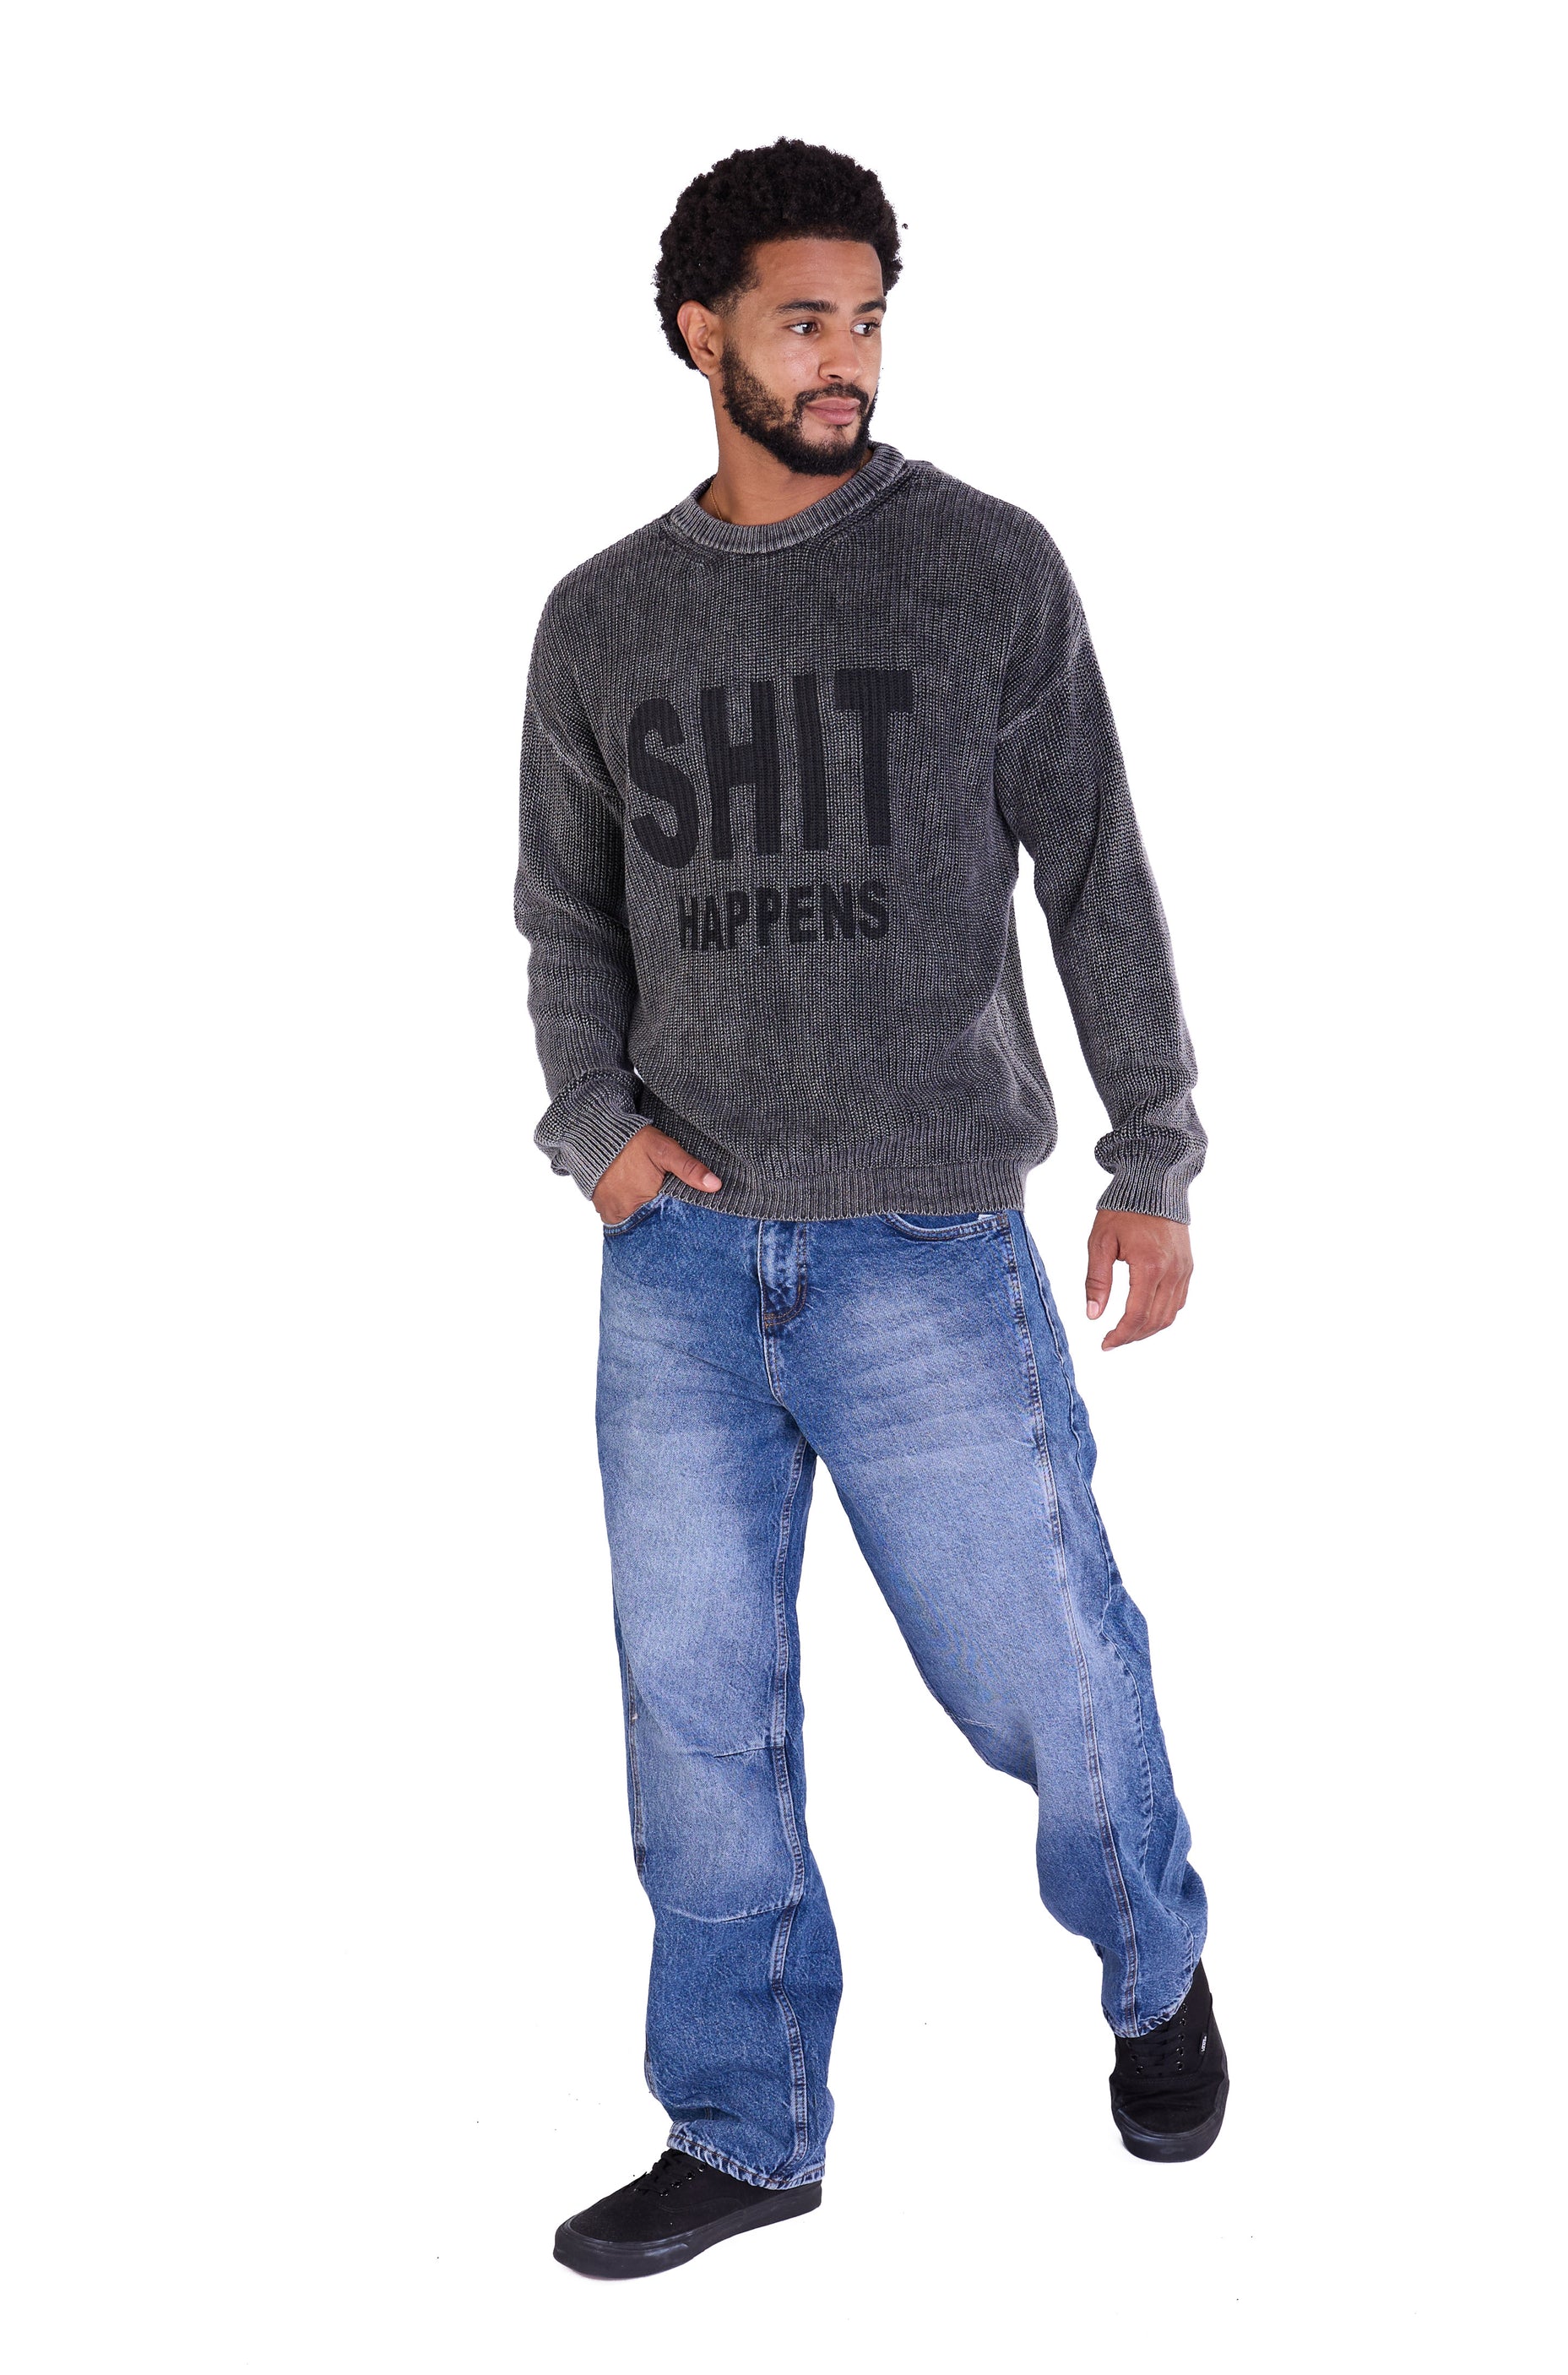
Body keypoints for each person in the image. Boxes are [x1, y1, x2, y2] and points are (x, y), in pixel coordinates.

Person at [515, 137, 1228, 2283]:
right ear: (699, 332)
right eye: (803, 320)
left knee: (1047, 1674)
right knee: (697, 1717)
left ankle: (1153, 1966)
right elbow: (567, 914)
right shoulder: (601, 618)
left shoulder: (980, 565)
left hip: (924, 1238)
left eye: (869, 320)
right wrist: (592, 1126)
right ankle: (743, 2127)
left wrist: (1152, 1151)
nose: (846, 360)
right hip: (677, 1260)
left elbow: (1094, 869)